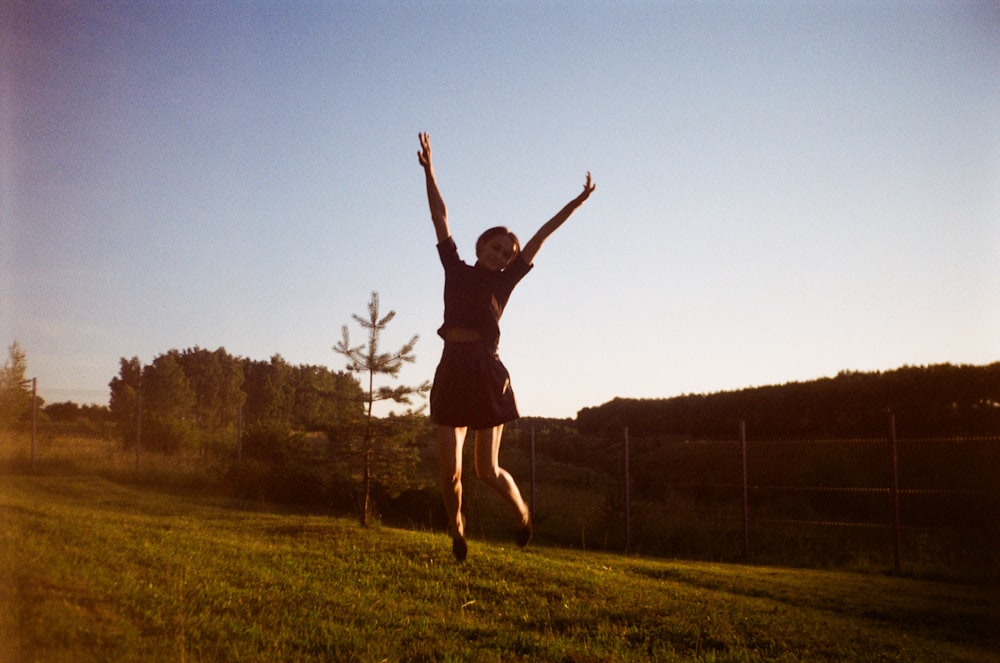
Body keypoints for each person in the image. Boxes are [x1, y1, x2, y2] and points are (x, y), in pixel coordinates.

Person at [417, 132, 596, 561]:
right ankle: (456, 526)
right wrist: (430, 172)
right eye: (496, 246)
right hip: (451, 368)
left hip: (486, 371)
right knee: (450, 470)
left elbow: (540, 236)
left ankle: (521, 513)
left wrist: (575, 203)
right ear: (480, 246)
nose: (502, 253)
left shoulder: (506, 280)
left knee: (486, 470)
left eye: (507, 251)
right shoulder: (455, 268)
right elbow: (440, 218)